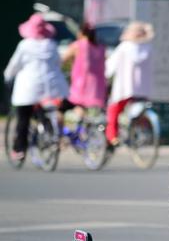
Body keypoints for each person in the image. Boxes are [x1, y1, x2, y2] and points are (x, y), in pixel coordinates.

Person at [3, 13, 69, 162]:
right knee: (44, 112)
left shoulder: (25, 45)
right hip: (52, 87)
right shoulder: (51, 44)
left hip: (29, 88)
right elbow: (58, 63)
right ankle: (50, 135)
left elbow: (14, 65)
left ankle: (19, 149)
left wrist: (8, 76)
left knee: (23, 118)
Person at [105, 21, 154, 151]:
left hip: (125, 88)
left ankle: (113, 136)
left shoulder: (124, 47)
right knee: (139, 112)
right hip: (143, 89)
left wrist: (103, 76)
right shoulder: (148, 48)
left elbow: (110, 66)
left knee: (113, 110)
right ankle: (141, 131)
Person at [61, 23, 107, 117]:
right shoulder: (100, 47)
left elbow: (61, 60)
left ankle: (79, 129)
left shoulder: (78, 45)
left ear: (81, 32)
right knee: (93, 113)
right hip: (98, 86)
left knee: (74, 108)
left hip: (81, 84)